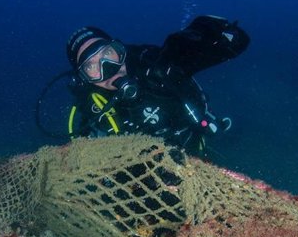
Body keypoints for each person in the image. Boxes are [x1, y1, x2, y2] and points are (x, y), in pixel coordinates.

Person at [65, 15, 250, 155]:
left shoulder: (156, 65)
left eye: (108, 53)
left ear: (119, 49)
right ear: (84, 78)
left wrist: (205, 33)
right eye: (91, 66)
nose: (108, 68)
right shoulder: (93, 112)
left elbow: (239, 41)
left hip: (194, 149)